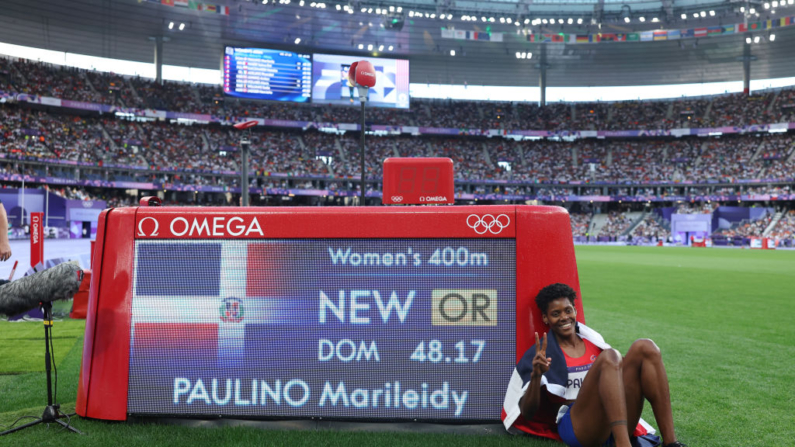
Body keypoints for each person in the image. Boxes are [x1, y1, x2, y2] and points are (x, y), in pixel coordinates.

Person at [502, 283, 686, 447]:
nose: (564, 317)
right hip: (578, 425)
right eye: (555, 314)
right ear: (545, 318)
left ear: (575, 310)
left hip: (612, 417)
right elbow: (527, 412)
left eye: (568, 310)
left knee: (646, 346)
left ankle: (671, 442)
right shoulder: (542, 354)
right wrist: (536, 376)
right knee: (610, 356)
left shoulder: (594, 342)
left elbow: (623, 378)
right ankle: (623, 444)